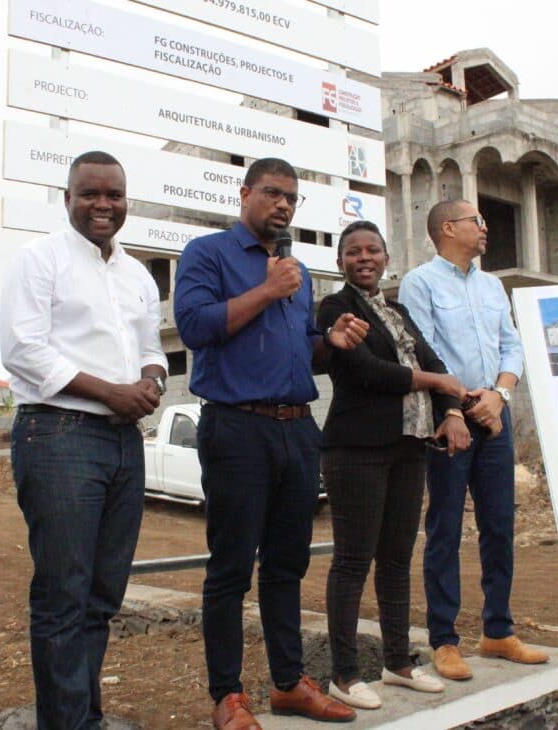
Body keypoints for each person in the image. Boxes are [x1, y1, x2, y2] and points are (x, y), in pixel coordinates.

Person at [174, 157, 369, 729]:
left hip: (296, 427)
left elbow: (297, 347)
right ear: (245, 194)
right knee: (232, 567)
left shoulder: (298, 271)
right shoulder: (207, 254)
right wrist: (265, 290)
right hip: (237, 428)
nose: (283, 204)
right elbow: (194, 328)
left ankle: (287, 684)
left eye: (291, 197)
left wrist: (328, 341)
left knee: (287, 565)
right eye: (272, 193)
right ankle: (228, 696)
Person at [0, 151, 168, 730]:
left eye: (114, 195)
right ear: (67, 197)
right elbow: (23, 350)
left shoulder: (136, 274)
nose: (104, 205)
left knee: (101, 597)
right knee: (63, 598)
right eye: (90, 194)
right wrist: (110, 393)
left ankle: (82, 718)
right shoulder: (39, 260)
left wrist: (151, 382)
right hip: (59, 434)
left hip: (123, 443)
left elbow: (152, 350)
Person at [318, 221, 470, 709]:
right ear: (340, 262)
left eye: (373, 250)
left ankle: (399, 662)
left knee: (397, 560)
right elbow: (369, 371)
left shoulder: (397, 310)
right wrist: (440, 384)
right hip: (357, 448)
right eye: (353, 252)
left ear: (386, 258)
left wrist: (449, 410)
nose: (364, 258)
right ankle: (344, 674)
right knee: (352, 561)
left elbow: (434, 362)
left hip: (409, 446)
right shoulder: (336, 308)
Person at [398, 199, 548, 682]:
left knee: (500, 526)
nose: (485, 228)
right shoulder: (419, 283)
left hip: (494, 419)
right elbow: (424, 349)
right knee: (444, 528)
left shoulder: (492, 285)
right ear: (448, 228)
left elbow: (512, 344)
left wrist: (500, 397)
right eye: (476, 222)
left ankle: (498, 630)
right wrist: (455, 407)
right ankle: (443, 639)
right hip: (451, 422)